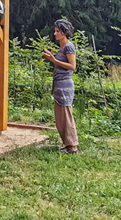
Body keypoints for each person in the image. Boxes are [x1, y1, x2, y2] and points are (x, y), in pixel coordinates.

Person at [42, 19, 79, 154]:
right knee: (60, 117)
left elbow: (72, 67)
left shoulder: (69, 47)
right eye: (55, 31)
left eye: (58, 31)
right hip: (58, 84)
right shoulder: (62, 47)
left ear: (64, 32)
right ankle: (67, 144)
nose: (55, 33)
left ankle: (73, 145)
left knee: (66, 115)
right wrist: (53, 57)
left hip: (65, 85)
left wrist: (54, 60)